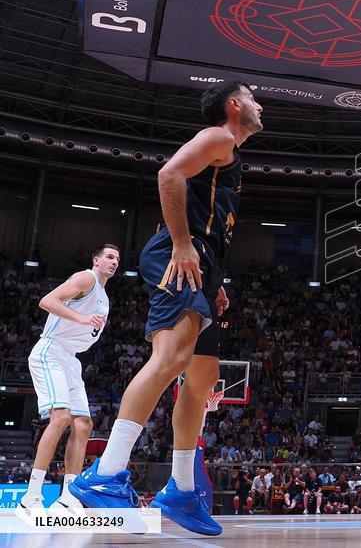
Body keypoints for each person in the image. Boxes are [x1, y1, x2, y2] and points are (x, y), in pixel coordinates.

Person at [71, 82, 263, 536]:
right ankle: (104, 475)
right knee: (171, 358)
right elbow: (168, 175)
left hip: (203, 265)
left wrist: (215, 282)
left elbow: (205, 216)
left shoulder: (229, 153)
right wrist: (181, 244)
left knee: (202, 378)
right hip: (179, 253)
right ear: (234, 105)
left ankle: (180, 489)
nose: (260, 106)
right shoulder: (219, 136)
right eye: (253, 98)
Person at [19, 244, 119, 514]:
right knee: (61, 417)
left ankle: (68, 497)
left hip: (70, 360)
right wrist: (82, 318)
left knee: (84, 425)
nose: (114, 262)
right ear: (96, 260)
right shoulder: (86, 278)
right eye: (109, 257)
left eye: (118, 259)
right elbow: (47, 301)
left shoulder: (103, 296)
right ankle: (31, 497)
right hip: (51, 351)